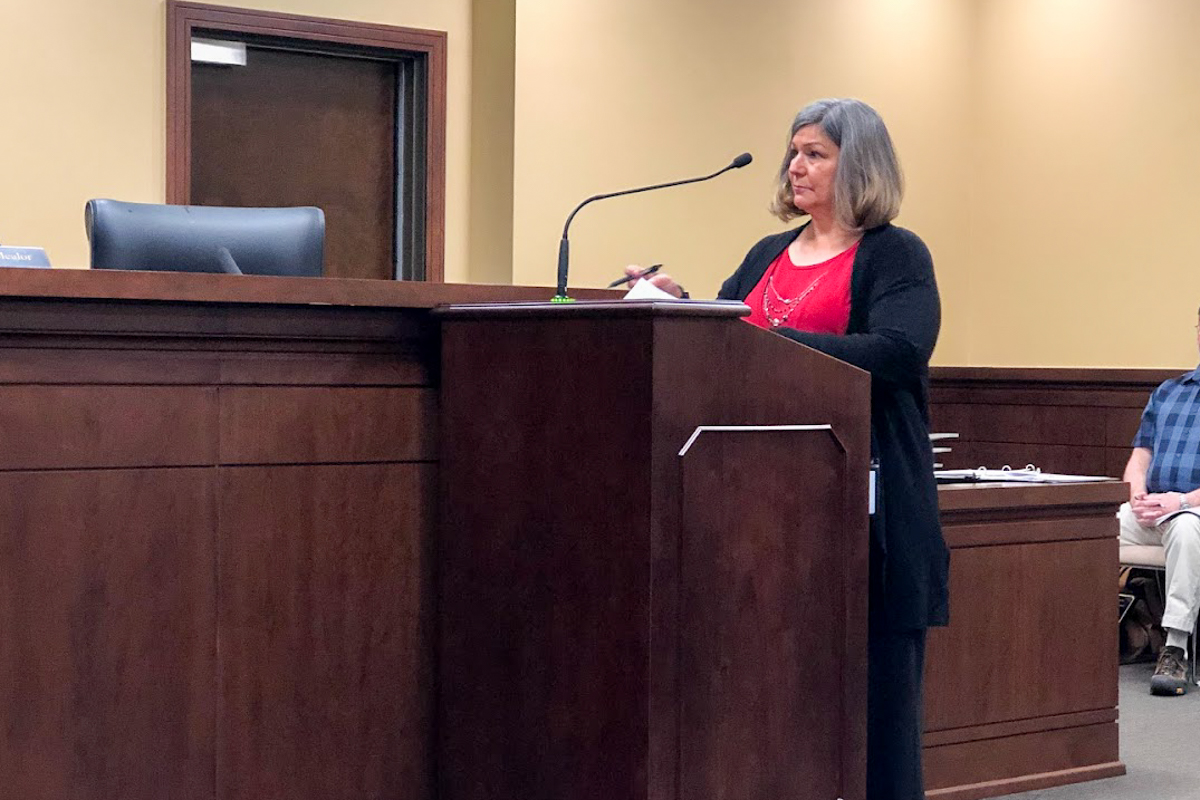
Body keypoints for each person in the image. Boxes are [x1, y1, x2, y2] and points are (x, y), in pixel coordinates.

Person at [625, 97, 948, 800]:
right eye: (794, 152)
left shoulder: (896, 253)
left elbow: (898, 353)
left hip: (863, 508)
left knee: (876, 709)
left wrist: (771, 342)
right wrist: (681, 304)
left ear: (858, 165)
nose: (795, 166)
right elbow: (725, 342)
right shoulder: (766, 254)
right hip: (759, 513)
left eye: (815, 154)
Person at [1119, 314, 1200, 696]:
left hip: (1191, 510)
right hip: (1155, 510)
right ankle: (1083, 633)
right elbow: (1140, 458)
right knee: (1092, 524)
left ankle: (1175, 648)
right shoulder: (1168, 392)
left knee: (1186, 528)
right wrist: (1137, 497)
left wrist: (1181, 500)